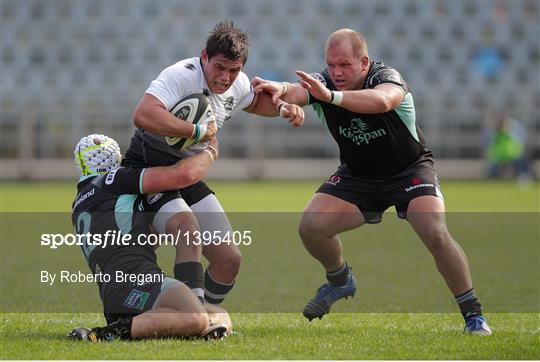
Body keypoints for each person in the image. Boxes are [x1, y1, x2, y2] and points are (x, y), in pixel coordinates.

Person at [252, 29, 492, 335]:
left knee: (433, 229)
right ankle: (340, 280)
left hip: (409, 170)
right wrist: (280, 88)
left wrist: (330, 97)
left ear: (364, 62)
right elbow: (296, 92)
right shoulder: (324, 82)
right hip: (359, 176)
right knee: (311, 228)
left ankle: (473, 316)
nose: (336, 72)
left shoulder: (386, 76)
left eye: (344, 65)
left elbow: (381, 101)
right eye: (331, 64)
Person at [122, 21, 304, 306]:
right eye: (220, 67)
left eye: (234, 70)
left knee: (229, 260)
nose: (226, 78)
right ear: (204, 57)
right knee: (183, 232)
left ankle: (209, 311)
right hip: (152, 169)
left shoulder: (238, 83)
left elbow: (254, 102)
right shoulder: (181, 75)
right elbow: (143, 114)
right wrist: (194, 131)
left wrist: (282, 108)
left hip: (189, 174)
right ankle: (189, 315)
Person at [68, 134, 231, 341]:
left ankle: (134, 326)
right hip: (137, 280)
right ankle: (101, 335)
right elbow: (181, 175)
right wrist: (211, 151)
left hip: (117, 292)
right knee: (196, 317)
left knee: (219, 315)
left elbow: (137, 239)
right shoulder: (115, 179)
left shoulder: (79, 203)